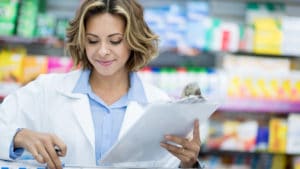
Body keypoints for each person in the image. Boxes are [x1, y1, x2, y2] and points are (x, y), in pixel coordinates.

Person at [0, 0, 201, 168]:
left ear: (133, 41)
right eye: (93, 41)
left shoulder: (160, 104)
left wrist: (188, 164)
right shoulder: (46, 90)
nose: (102, 51)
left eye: (114, 41)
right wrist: (19, 136)